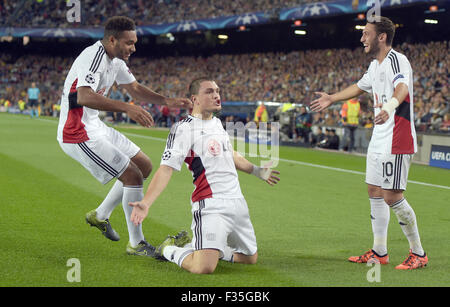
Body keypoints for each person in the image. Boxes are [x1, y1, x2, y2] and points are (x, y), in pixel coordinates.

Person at [56, 16, 192, 257]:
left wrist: (167, 101)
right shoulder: (93, 57)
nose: (134, 48)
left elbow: (135, 89)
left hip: (93, 124)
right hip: (77, 132)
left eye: (134, 42)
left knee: (144, 166)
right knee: (132, 175)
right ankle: (136, 243)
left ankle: (100, 215)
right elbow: (84, 97)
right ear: (112, 40)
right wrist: (127, 107)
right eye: (129, 43)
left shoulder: (116, 60)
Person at [128, 78, 280, 274]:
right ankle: (169, 248)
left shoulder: (217, 123)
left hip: (237, 202)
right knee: (203, 268)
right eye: (209, 91)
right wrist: (146, 202)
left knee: (249, 258)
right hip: (210, 204)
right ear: (195, 99)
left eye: (217, 90)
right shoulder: (183, 129)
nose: (216, 95)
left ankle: (205, 247)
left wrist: (257, 171)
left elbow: (230, 154)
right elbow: (166, 168)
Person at [310, 16, 427, 270]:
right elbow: (358, 87)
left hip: (397, 136)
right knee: (374, 191)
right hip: (379, 137)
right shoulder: (375, 66)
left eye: (366, 34)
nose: (362, 38)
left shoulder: (398, 60)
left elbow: (402, 88)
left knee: (392, 195)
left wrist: (389, 106)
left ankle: (418, 252)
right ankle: (380, 251)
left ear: (381, 37)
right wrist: (332, 98)